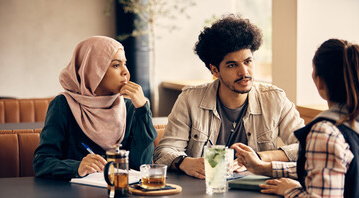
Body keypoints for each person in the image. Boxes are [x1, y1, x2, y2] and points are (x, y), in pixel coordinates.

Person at [154, 15, 304, 179]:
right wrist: (186, 162)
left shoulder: (275, 99)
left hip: (257, 192)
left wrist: (259, 158)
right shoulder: (190, 99)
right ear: (215, 70)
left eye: (248, 61)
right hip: (204, 191)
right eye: (232, 65)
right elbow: (164, 151)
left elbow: (305, 147)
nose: (244, 72)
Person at [233, 39, 359, 198]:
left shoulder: (325, 133)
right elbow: (327, 168)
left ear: (318, 81)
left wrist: (289, 190)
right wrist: (264, 168)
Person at [34, 36, 157, 180]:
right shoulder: (63, 105)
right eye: (116, 65)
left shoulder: (130, 108)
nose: (126, 72)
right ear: (93, 69)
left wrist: (143, 109)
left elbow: (142, 165)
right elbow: (42, 162)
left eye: (125, 64)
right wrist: (77, 167)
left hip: (122, 197)